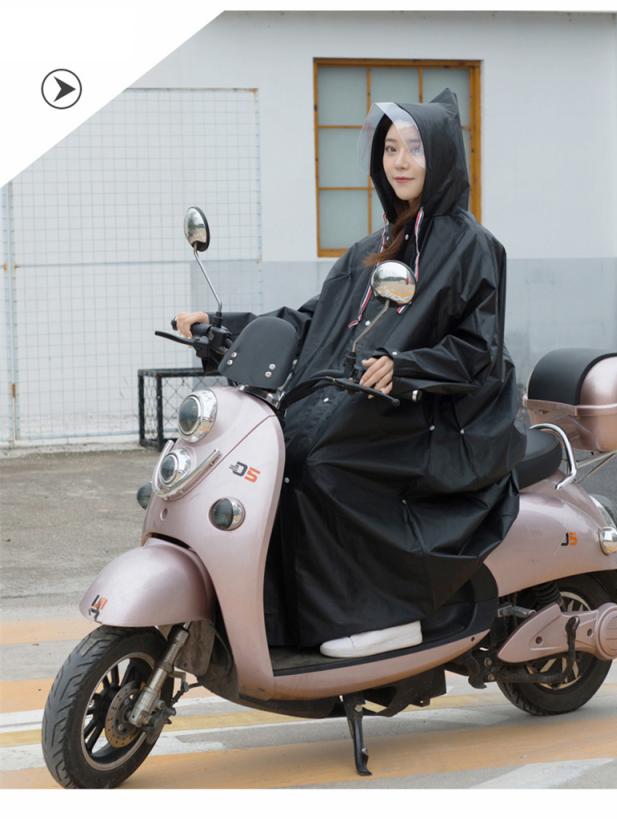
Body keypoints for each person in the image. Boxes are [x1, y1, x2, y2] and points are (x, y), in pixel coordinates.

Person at [176, 89, 527, 660]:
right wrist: (222, 328)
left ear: (441, 157)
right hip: (365, 396)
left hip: (448, 414)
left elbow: (478, 348)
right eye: (390, 149)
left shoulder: (473, 246)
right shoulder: (372, 248)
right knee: (278, 455)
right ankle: (288, 620)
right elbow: (314, 318)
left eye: (415, 148)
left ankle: (386, 615)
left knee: (325, 464)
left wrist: (406, 367)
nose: (401, 161)